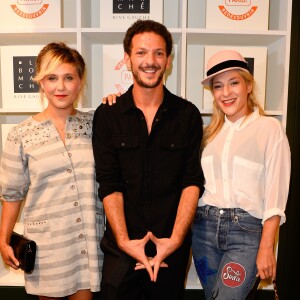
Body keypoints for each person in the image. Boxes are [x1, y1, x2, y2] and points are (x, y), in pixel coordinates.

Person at [92, 19, 205, 300]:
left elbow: (191, 182)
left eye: (158, 53)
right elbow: (109, 183)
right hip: (122, 249)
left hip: (171, 248)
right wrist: (125, 242)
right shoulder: (108, 115)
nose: (150, 61)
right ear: (128, 59)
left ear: (168, 59)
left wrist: (175, 241)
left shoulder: (188, 115)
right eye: (141, 53)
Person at [0, 42, 104, 300]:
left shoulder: (97, 125)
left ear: (80, 81)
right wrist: (3, 241)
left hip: (88, 243)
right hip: (48, 245)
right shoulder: (20, 134)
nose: (61, 86)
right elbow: (12, 195)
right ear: (41, 83)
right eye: (52, 78)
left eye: (69, 77)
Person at [191, 49, 291, 299]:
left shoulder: (269, 129)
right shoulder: (208, 135)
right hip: (203, 230)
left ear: (248, 85)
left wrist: (267, 246)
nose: (226, 93)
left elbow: (276, 195)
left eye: (233, 83)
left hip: (245, 234)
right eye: (218, 86)